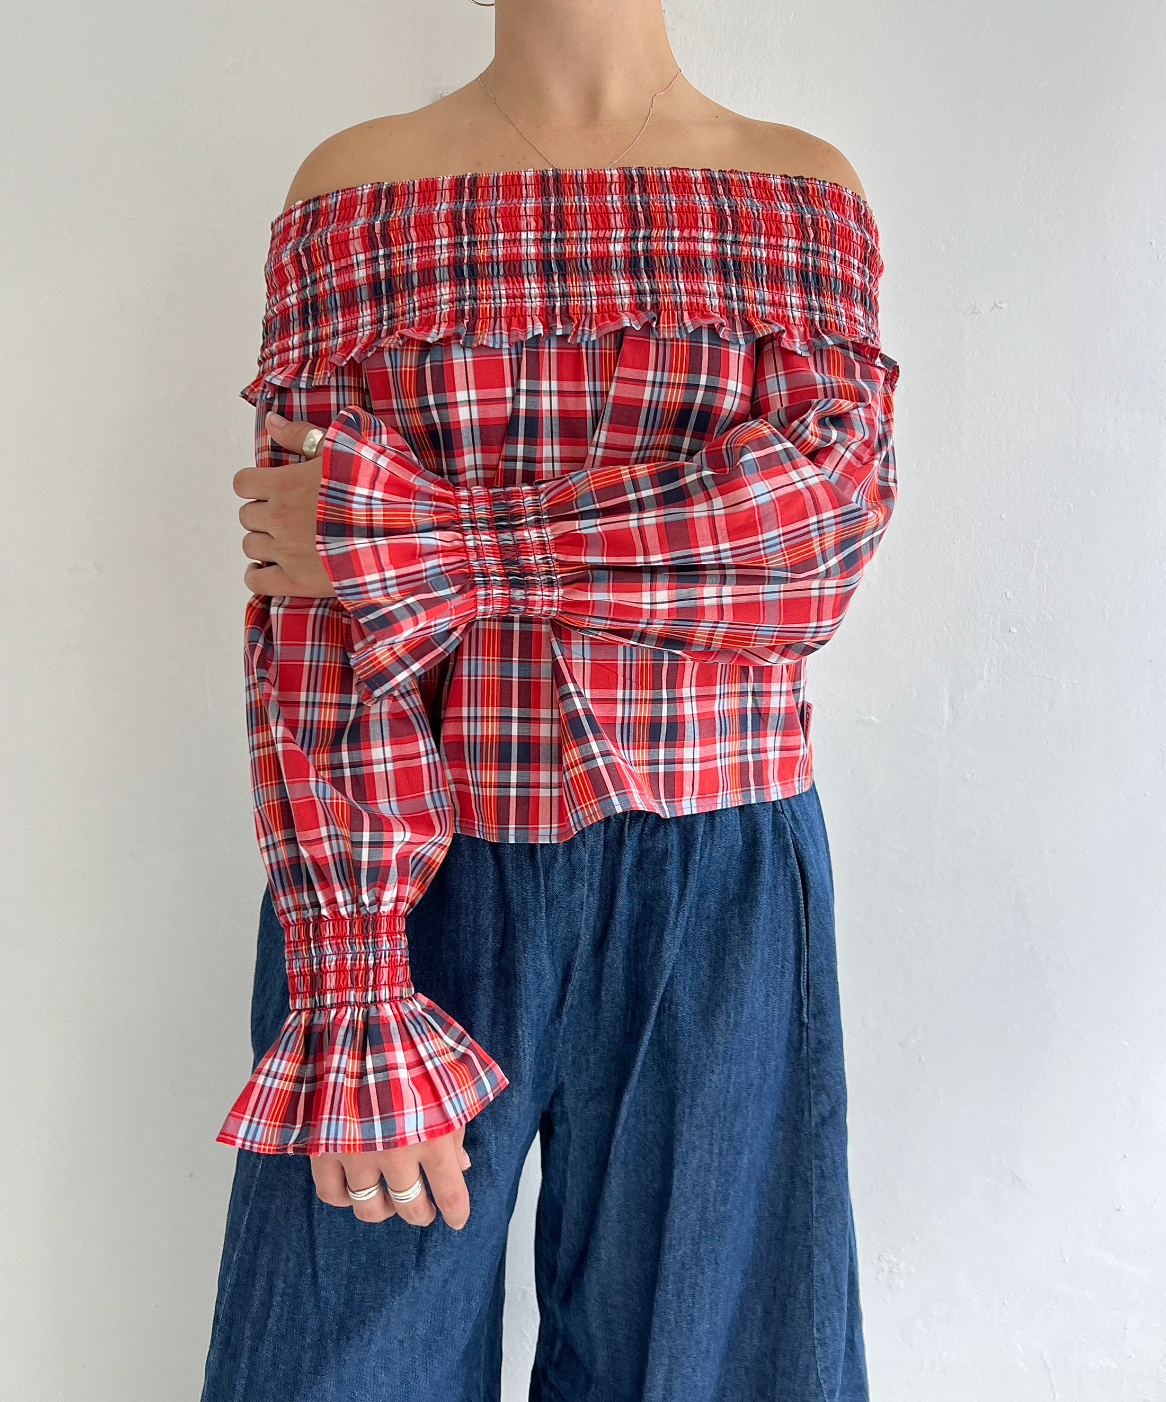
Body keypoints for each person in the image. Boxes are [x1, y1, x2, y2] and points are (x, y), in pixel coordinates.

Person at [201, 1, 901, 1398]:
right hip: (409, 876)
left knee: (714, 1368)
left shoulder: (801, 194)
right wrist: (357, 990)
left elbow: (804, 554)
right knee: (340, 1368)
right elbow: (310, 634)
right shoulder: (355, 193)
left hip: (719, 880)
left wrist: (422, 541)